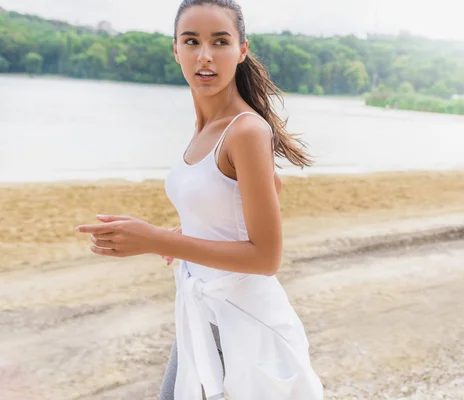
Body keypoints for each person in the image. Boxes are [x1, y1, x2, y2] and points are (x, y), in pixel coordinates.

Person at [75, 0, 324, 399]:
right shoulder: (205, 128)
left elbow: (266, 258)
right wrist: (190, 231)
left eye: (220, 42)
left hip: (241, 324)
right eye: (191, 41)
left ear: (242, 51)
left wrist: (157, 240)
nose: (204, 56)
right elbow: (261, 190)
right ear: (175, 49)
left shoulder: (245, 131)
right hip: (203, 315)